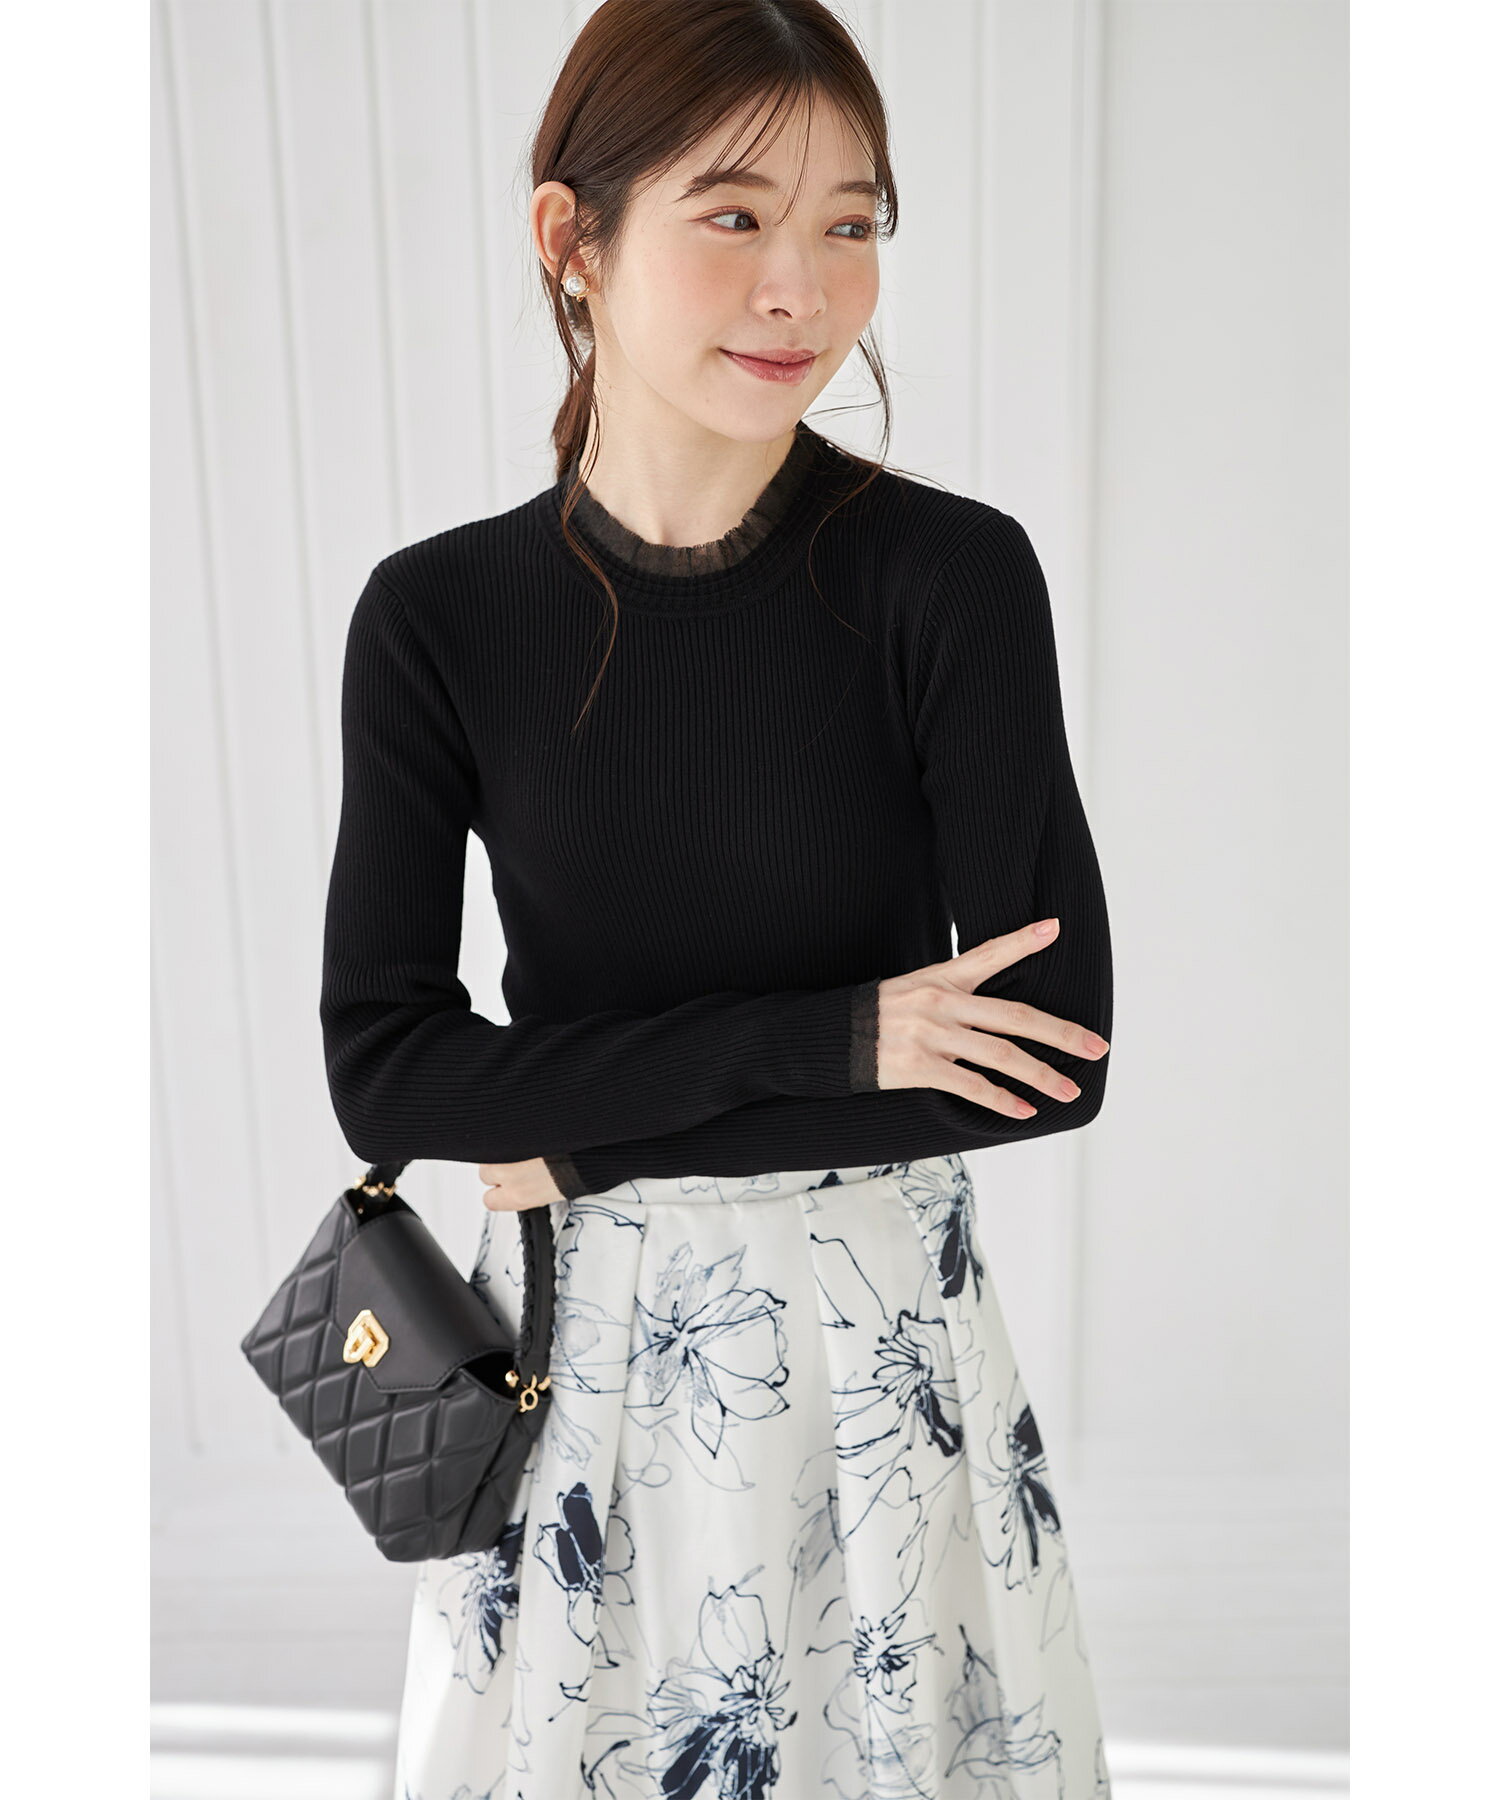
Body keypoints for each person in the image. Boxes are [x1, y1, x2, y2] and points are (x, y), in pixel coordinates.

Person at [319, 3, 1115, 1794]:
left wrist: (581, 1127)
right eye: (736, 214)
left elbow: (1051, 1057)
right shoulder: (438, 619)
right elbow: (391, 1073)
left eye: (851, 224)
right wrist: (841, 1042)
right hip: (574, 1353)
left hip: (873, 1352)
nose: (801, 287)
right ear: (571, 238)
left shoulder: (953, 579)